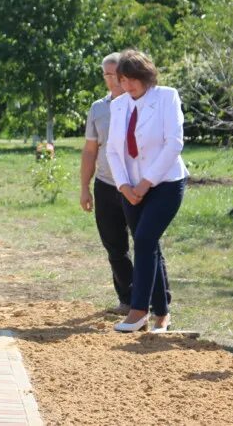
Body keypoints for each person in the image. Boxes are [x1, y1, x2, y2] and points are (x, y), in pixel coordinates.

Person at [105, 49, 187, 334]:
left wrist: (145, 182)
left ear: (146, 75)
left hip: (165, 183)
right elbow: (113, 150)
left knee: (143, 240)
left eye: (133, 80)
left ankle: (138, 310)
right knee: (148, 245)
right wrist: (124, 186)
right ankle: (162, 314)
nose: (128, 86)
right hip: (130, 189)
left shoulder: (166, 96)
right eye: (122, 80)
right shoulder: (118, 105)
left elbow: (174, 143)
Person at [80, 52, 136, 315]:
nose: (112, 79)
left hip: (135, 184)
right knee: (114, 246)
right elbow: (90, 150)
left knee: (146, 243)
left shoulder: (138, 104)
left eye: (117, 74)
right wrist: (84, 188)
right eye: (107, 74)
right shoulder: (98, 108)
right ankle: (128, 299)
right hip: (105, 183)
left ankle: (156, 301)